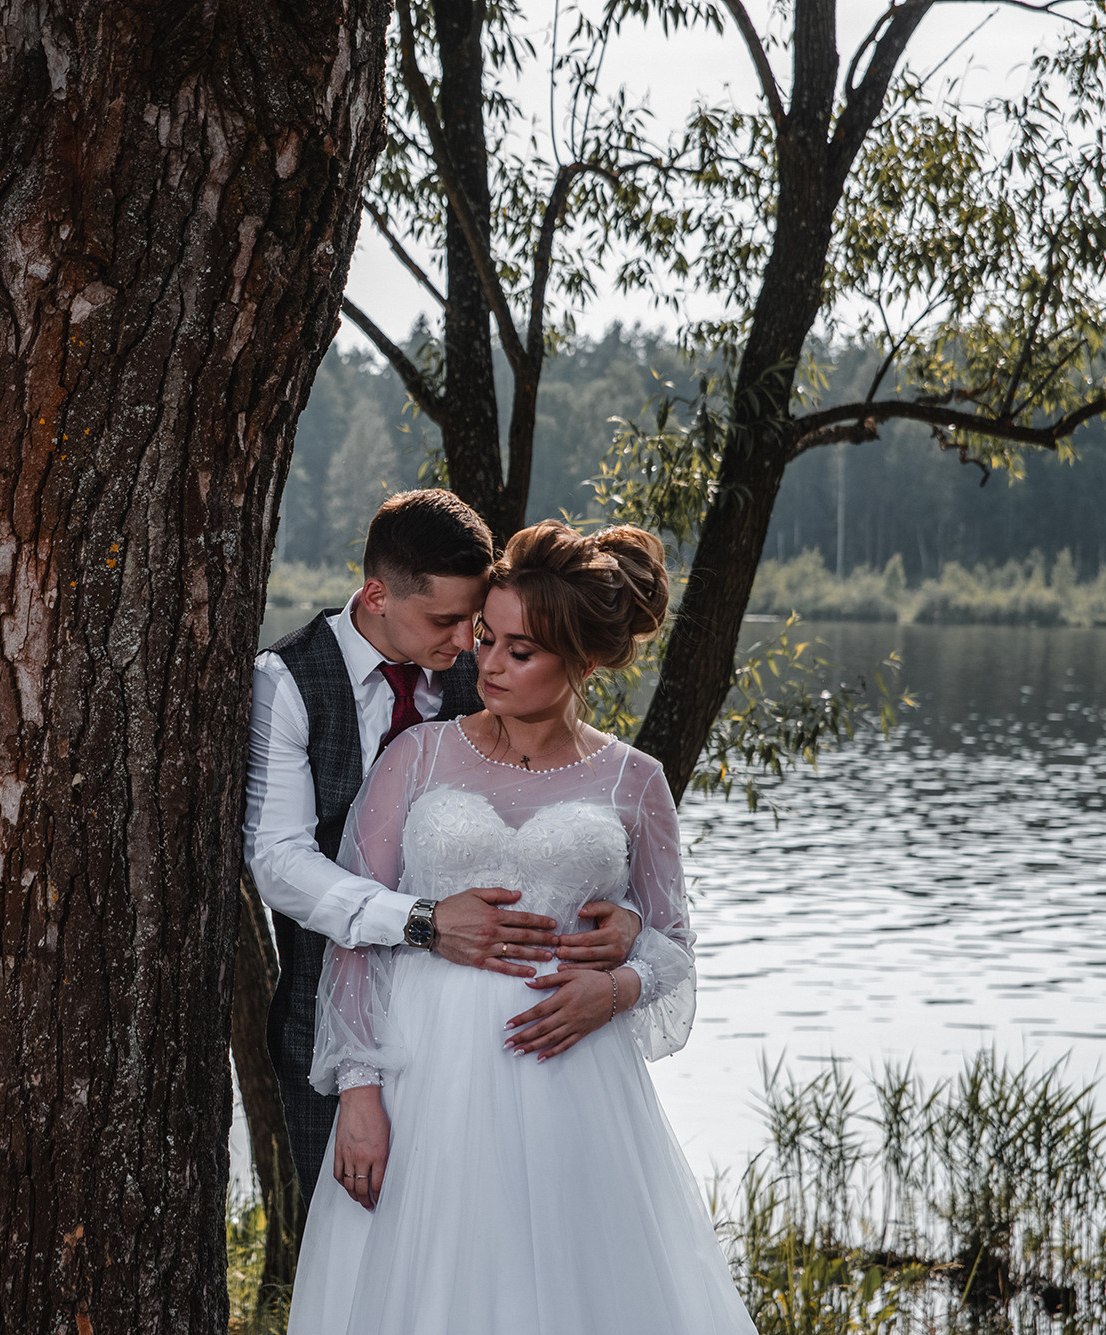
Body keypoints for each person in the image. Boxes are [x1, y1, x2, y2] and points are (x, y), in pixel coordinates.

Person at [285, 519, 757, 1335]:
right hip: (420, 1075)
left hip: (569, 1079)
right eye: (486, 638)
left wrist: (616, 986)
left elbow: (673, 944)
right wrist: (359, 1094)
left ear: (580, 660)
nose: (487, 663)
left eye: (520, 649)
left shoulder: (634, 781)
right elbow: (356, 932)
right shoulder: (419, 756)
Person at [244, 491, 643, 1218]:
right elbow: (277, 861)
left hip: (505, 1043)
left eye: (480, 623)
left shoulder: (487, 673)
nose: (468, 643)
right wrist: (422, 920)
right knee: (365, 1253)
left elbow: (572, 802)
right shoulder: (287, 683)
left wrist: (624, 920)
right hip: (331, 1023)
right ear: (375, 594)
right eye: (447, 621)